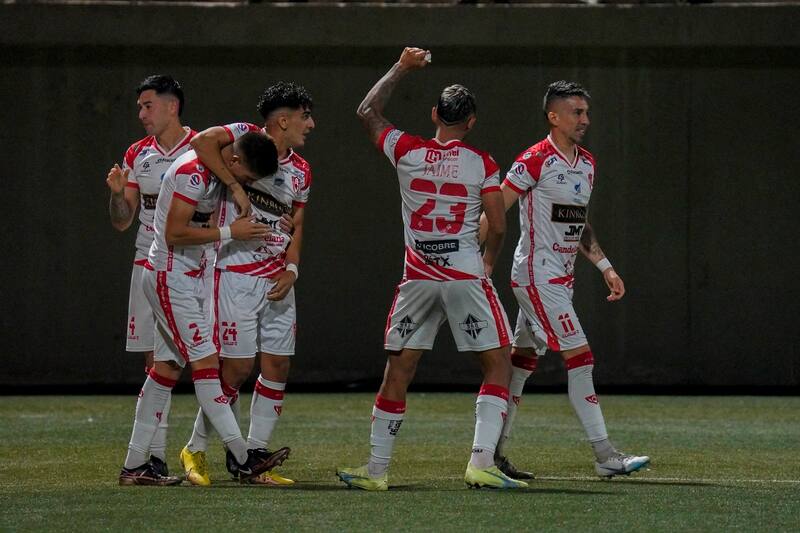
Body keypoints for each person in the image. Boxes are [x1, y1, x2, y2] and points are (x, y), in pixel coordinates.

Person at [336, 47, 527, 491]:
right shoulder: (482, 163)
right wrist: (488, 263)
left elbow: (367, 110)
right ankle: (480, 461)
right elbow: (497, 223)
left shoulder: (406, 150)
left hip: (419, 277)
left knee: (398, 370)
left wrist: (401, 67)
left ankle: (377, 470)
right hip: (463, 274)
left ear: (434, 114)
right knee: (497, 365)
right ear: (471, 122)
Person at [481, 80, 650, 479]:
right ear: (553, 116)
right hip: (537, 278)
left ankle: (493, 455)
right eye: (576, 112)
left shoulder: (586, 164)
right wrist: (466, 251)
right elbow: (497, 210)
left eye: (586, 112)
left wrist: (605, 266)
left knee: (520, 365)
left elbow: (579, 224)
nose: (585, 120)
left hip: (562, 278)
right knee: (581, 357)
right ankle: (605, 454)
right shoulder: (535, 160)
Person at [118, 127, 290, 486]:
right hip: (170, 276)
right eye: (243, 177)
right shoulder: (192, 174)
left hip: (192, 275)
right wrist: (231, 234)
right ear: (236, 160)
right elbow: (174, 234)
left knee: (165, 370)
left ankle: (134, 466)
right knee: (207, 364)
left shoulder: (230, 152)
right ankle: (243, 458)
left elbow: (217, 141)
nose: (239, 183)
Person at [177, 82, 315, 487]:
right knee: (235, 370)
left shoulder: (302, 170)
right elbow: (202, 142)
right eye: (305, 116)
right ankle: (196, 447)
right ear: (284, 120)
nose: (312, 124)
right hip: (234, 274)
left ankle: (251, 458)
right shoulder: (243, 137)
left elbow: (299, 223)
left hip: (277, 279)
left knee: (278, 365)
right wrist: (235, 186)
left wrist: (293, 269)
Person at [106, 75, 195, 475]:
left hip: (192, 267)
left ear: (171, 105)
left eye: (147, 105)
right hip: (149, 265)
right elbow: (123, 221)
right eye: (140, 107)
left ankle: (229, 451)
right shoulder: (137, 154)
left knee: (197, 361)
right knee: (157, 363)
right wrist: (115, 193)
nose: (141, 114)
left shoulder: (202, 146)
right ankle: (152, 458)